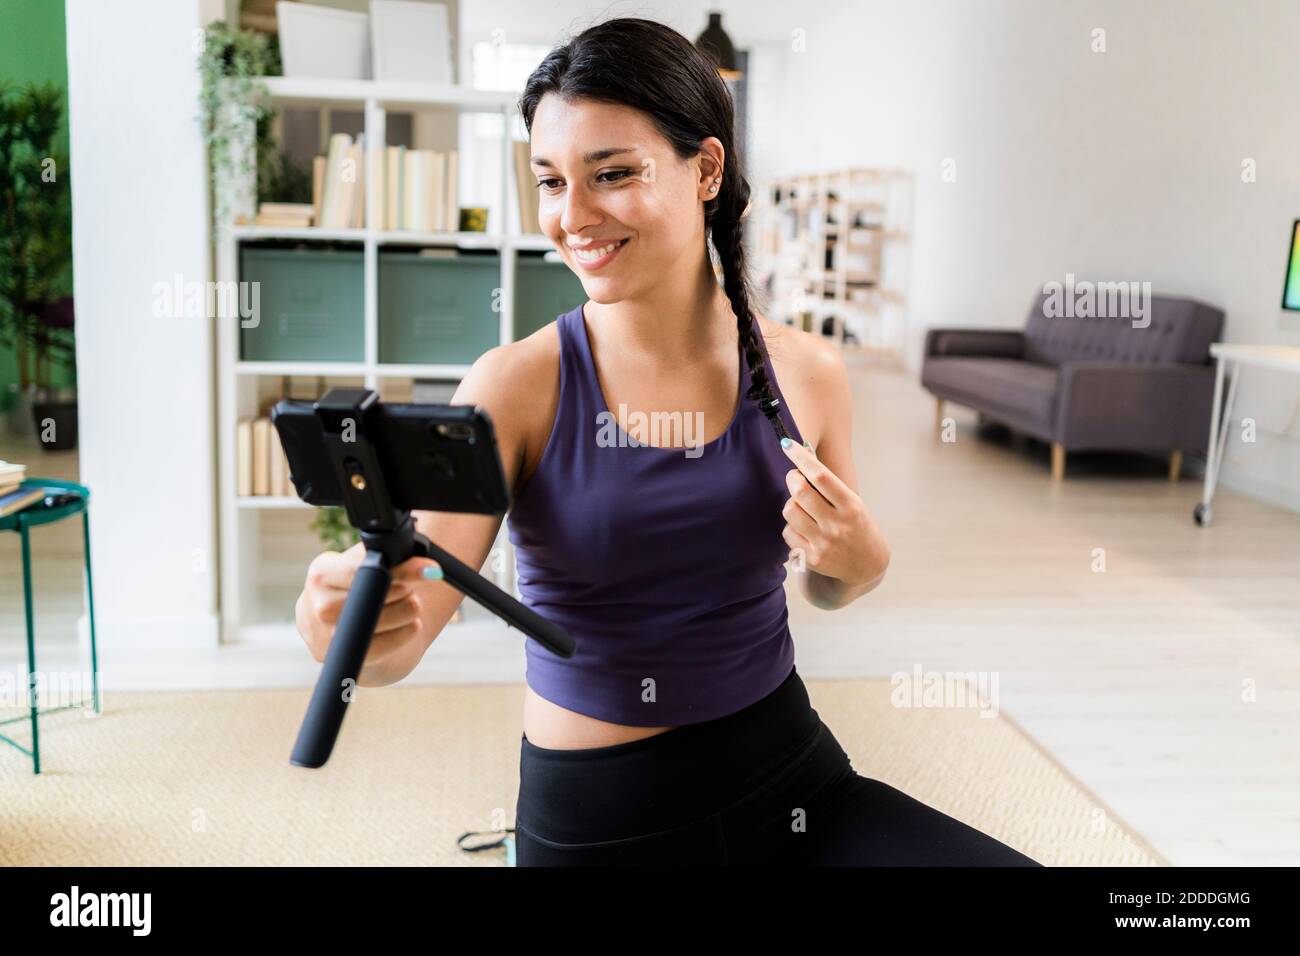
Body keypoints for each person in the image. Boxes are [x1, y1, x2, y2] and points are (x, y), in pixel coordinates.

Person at [295, 16, 1041, 867]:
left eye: (611, 174)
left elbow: (828, 588)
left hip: (792, 778)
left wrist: (862, 564)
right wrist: (340, 628)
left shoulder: (810, 371)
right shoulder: (516, 385)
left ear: (707, 169)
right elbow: (406, 635)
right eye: (549, 182)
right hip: (602, 823)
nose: (572, 216)